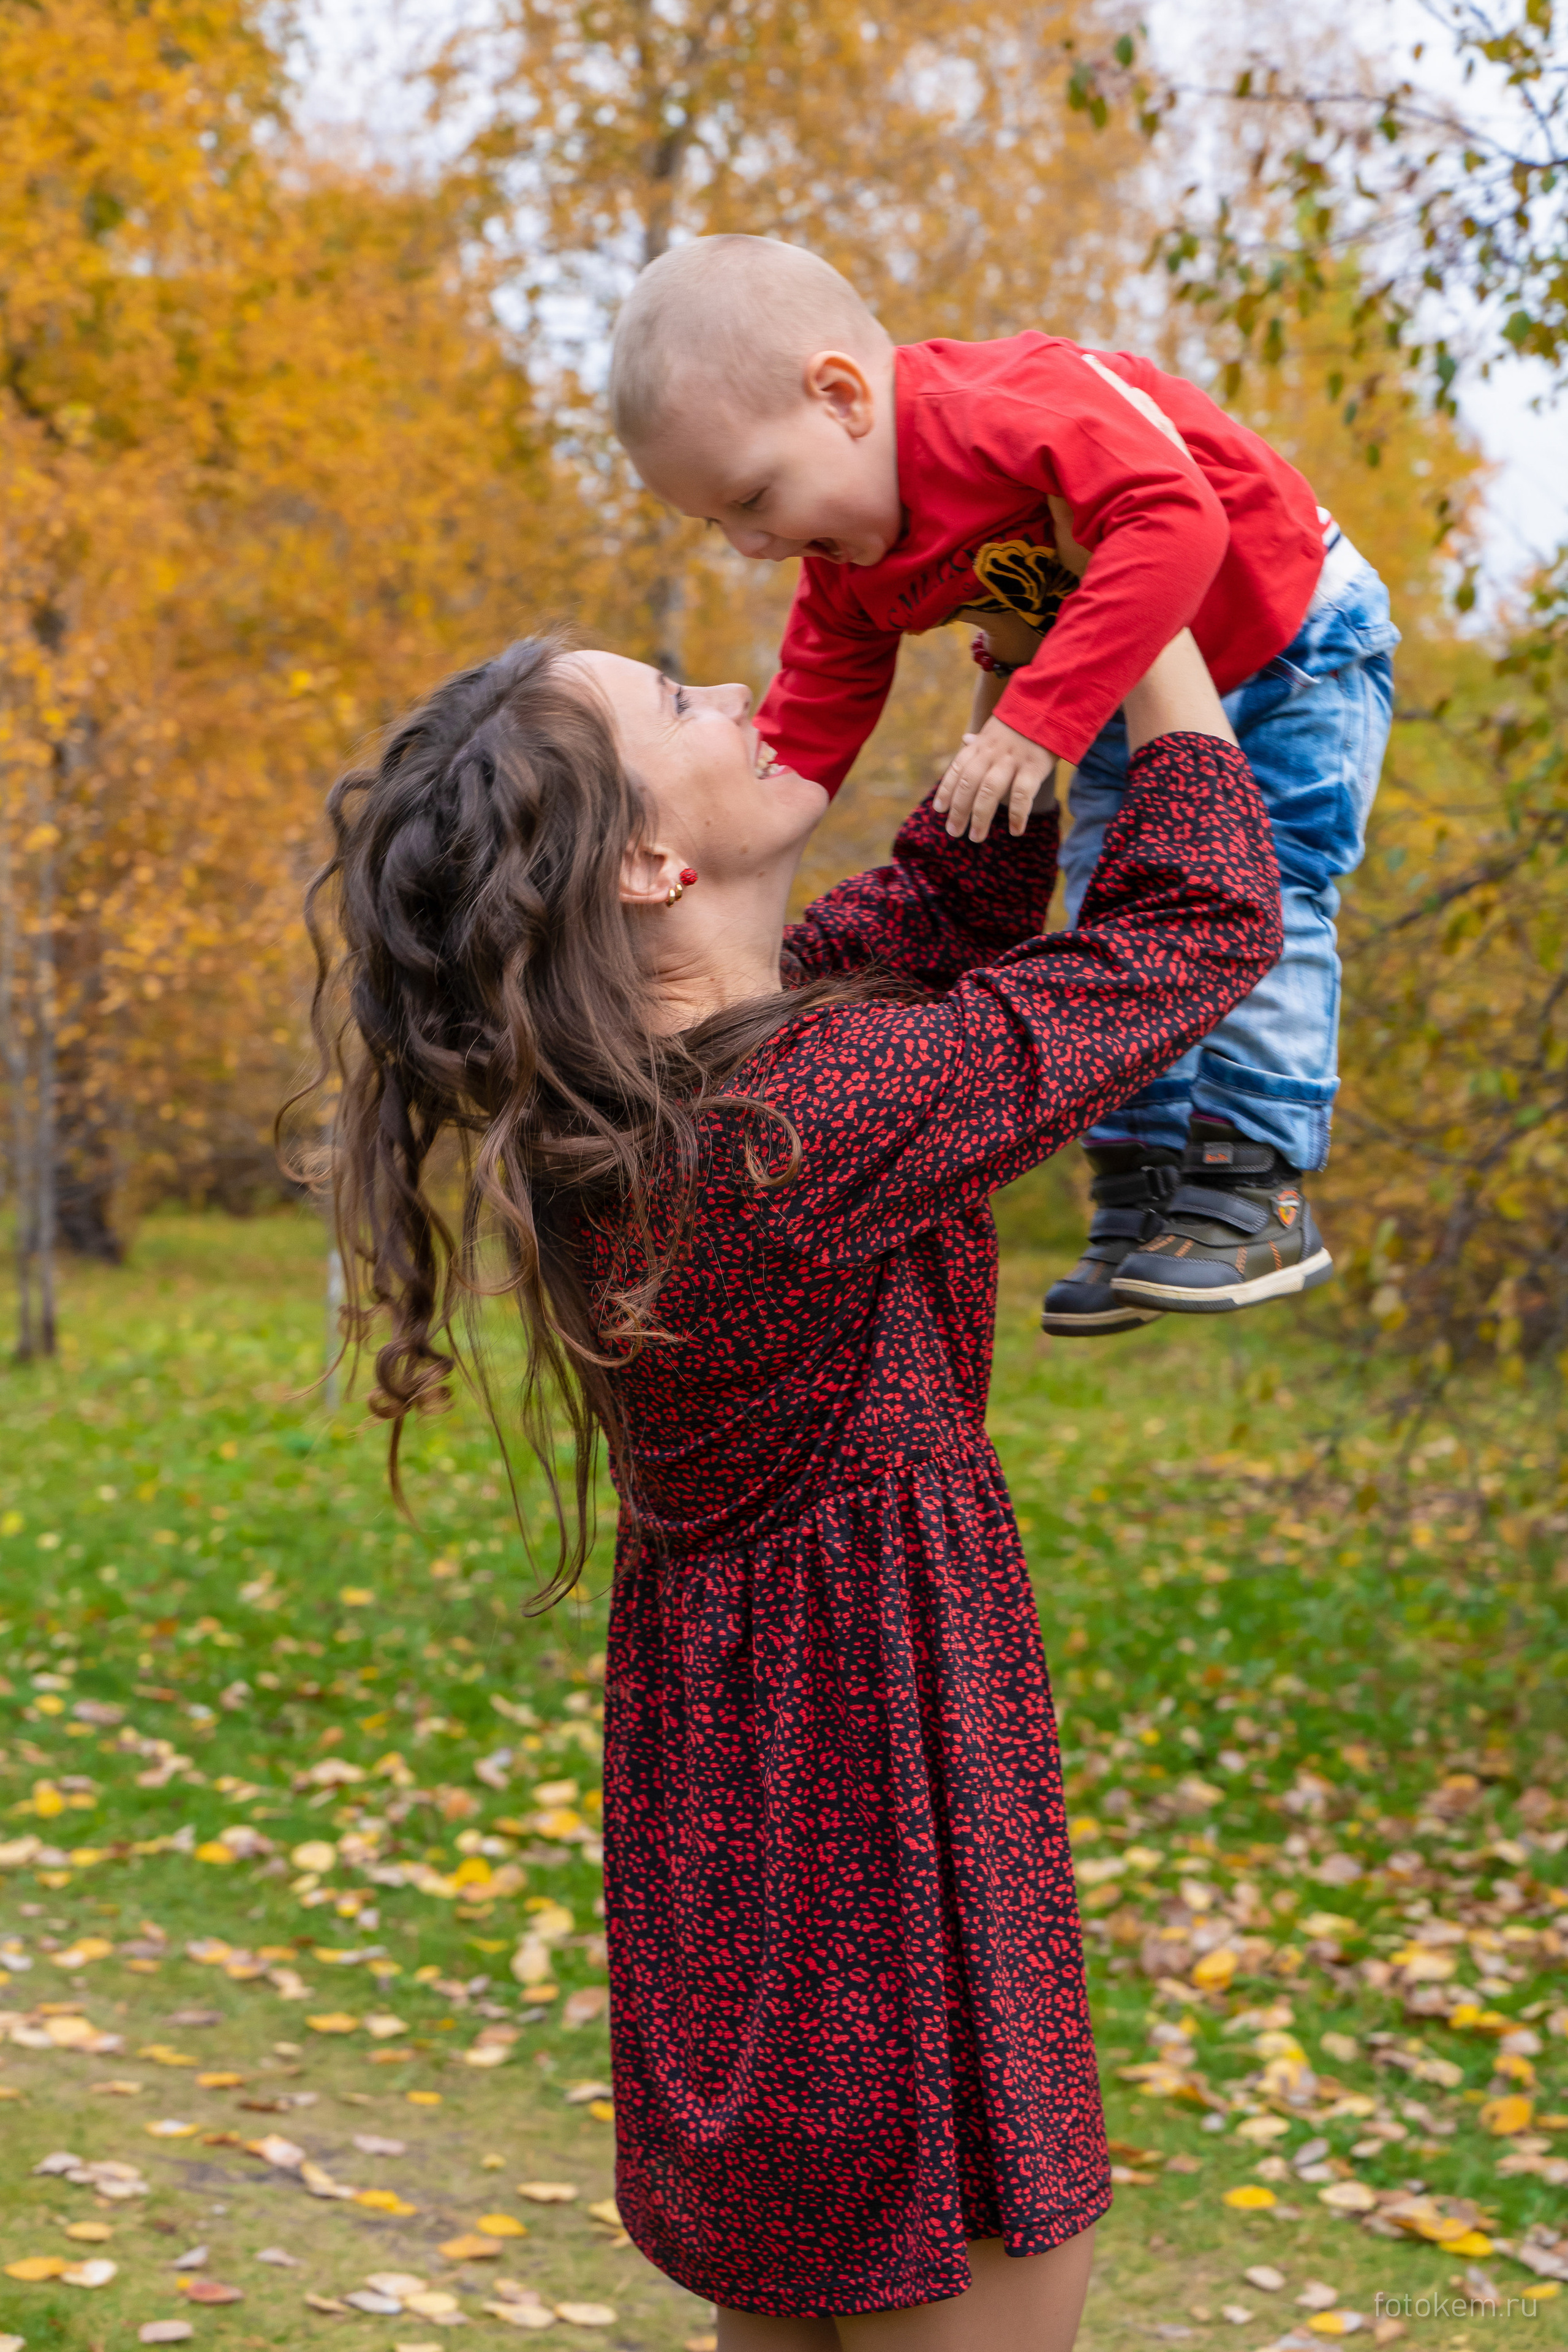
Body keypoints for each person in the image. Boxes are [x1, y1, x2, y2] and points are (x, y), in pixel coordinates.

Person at [305, 624, 1281, 2346]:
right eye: (678, 706)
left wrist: (1020, 676)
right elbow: (1193, 940)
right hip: (886, 1791)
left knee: (798, 2294)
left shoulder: (646, 1106)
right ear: (649, 861)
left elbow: (941, 921)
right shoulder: (800, 1119)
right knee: (967, 2260)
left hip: (755, 1806)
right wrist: (1157, 637)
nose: (740, 700)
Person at [608, 234, 1399, 1338]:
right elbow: (818, 698)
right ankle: (1140, 1192)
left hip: (1287, 635)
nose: (750, 543)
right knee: (1107, 909)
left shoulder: (1001, 408)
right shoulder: (847, 560)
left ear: (840, 396)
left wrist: (1036, 716)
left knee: (1270, 892)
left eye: (753, 497)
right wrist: (744, 832)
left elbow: (1173, 521)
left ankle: (1254, 1176)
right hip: (1129, 686)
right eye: (718, 524)